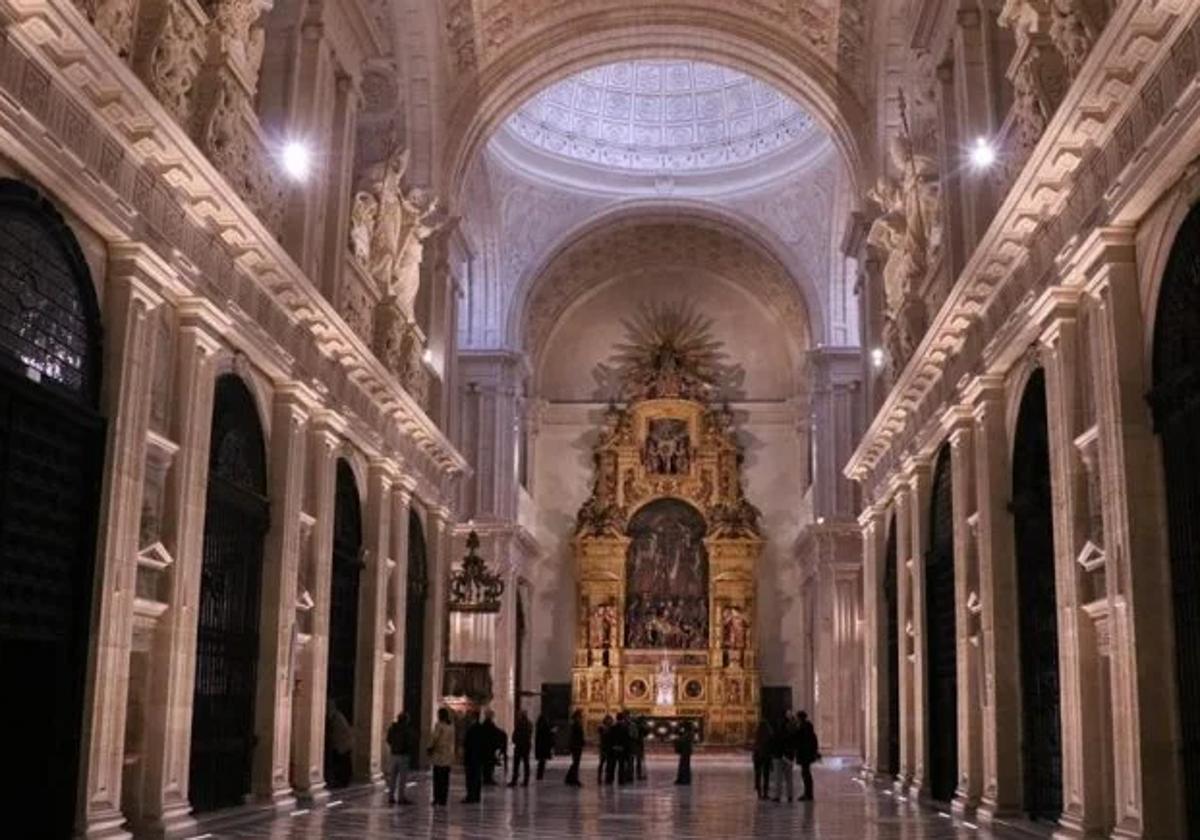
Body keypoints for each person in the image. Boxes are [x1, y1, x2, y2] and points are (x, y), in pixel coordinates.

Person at [385, 711, 414, 804]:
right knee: (402, 778)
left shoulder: (392, 728)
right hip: (404, 755)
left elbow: (388, 739)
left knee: (392, 777)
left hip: (394, 754)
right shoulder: (407, 729)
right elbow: (410, 742)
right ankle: (401, 797)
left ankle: (391, 797)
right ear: (406, 720)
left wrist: (394, 746)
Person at [428, 707, 455, 806]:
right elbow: (452, 741)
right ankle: (444, 799)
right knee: (445, 779)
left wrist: (429, 747)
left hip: (439, 754)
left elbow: (434, 737)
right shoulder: (451, 726)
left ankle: (436, 798)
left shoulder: (439, 725)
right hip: (447, 755)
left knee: (437, 778)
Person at [324, 698, 354, 788]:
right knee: (343, 764)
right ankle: (342, 781)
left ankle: (342, 781)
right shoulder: (337, 716)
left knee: (342, 764)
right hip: (343, 745)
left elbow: (336, 733)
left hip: (342, 746)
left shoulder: (336, 717)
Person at [794, 710, 820, 801]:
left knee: (806, 774)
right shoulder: (809, 729)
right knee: (806, 774)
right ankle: (808, 793)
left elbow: (797, 739)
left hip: (804, 755)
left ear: (800, 718)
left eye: (797, 718)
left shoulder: (803, 728)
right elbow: (814, 742)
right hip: (807, 755)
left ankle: (808, 794)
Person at [771, 711, 795, 803]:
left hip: (779, 756)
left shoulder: (779, 732)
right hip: (788, 756)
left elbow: (775, 743)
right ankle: (790, 796)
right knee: (789, 778)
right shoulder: (792, 732)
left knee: (778, 778)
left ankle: (778, 796)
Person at [462, 710, 485, 803]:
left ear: (474, 717)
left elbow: (467, 743)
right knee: (477, 778)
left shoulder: (471, 729)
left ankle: (470, 797)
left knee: (471, 778)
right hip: (479, 757)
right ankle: (476, 796)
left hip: (471, 757)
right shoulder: (481, 728)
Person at [509, 709, 533, 787]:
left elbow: (516, 734)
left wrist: (514, 740)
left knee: (516, 763)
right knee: (526, 763)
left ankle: (514, 780)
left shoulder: (519, 723)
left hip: (520, 745)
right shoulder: (529, 723)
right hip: (526, 745)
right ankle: (526, 781)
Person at [752, 718, 773, 800]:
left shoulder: (757, 734)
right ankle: (765, 793)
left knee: (758, 774)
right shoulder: (769, 735)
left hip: (758, 756)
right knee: (766, 775)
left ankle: (759, 792)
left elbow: (755, 747)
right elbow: (770, 747)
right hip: (766, 757)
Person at [480, 710, 501, 785]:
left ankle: (488, 778)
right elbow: (493, 734)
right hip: (489, 747)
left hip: (487, 747)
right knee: (488, 764)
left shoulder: (485, 724)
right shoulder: (488, 724)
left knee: (488, 764)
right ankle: (488, 779)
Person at [565, 709, 584, 787]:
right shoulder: (576, 724)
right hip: (576, 746)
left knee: (575, 763)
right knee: (576, 763)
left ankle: (569, 778)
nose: (581, 717)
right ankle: (574, 779)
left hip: (577, 746)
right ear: (577, 716)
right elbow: (574, 736)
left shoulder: (577, 724)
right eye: (580, 716)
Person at [534, 711, 555, 780]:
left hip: (540, 747)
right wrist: (552, 732)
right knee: (542, 762)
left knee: (541, 762)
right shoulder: (544, 726)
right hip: (543, 747)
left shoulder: (539, 725)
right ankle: (539, 776)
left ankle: (539, 775)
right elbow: (547, 735)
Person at [674, 721, 694, 785]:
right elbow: (677, 733)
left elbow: (682, 739)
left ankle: (684, 780)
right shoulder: (686, 733)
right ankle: (682, 779)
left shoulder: (689, 733)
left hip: (686, 751)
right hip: (684, 751)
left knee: (684, 766)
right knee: (682, 765)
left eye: (684, 727)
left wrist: (677, 740)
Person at [596, 714, 613, 784]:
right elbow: (601, 732)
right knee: (602, 763)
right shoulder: (601, 727)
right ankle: (599, 777)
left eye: (610, 720)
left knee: (609, 764)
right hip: (603, 747)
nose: (610, 721)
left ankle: (607, 777)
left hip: (609, 748)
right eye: (608, 719)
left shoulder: (611, 727)